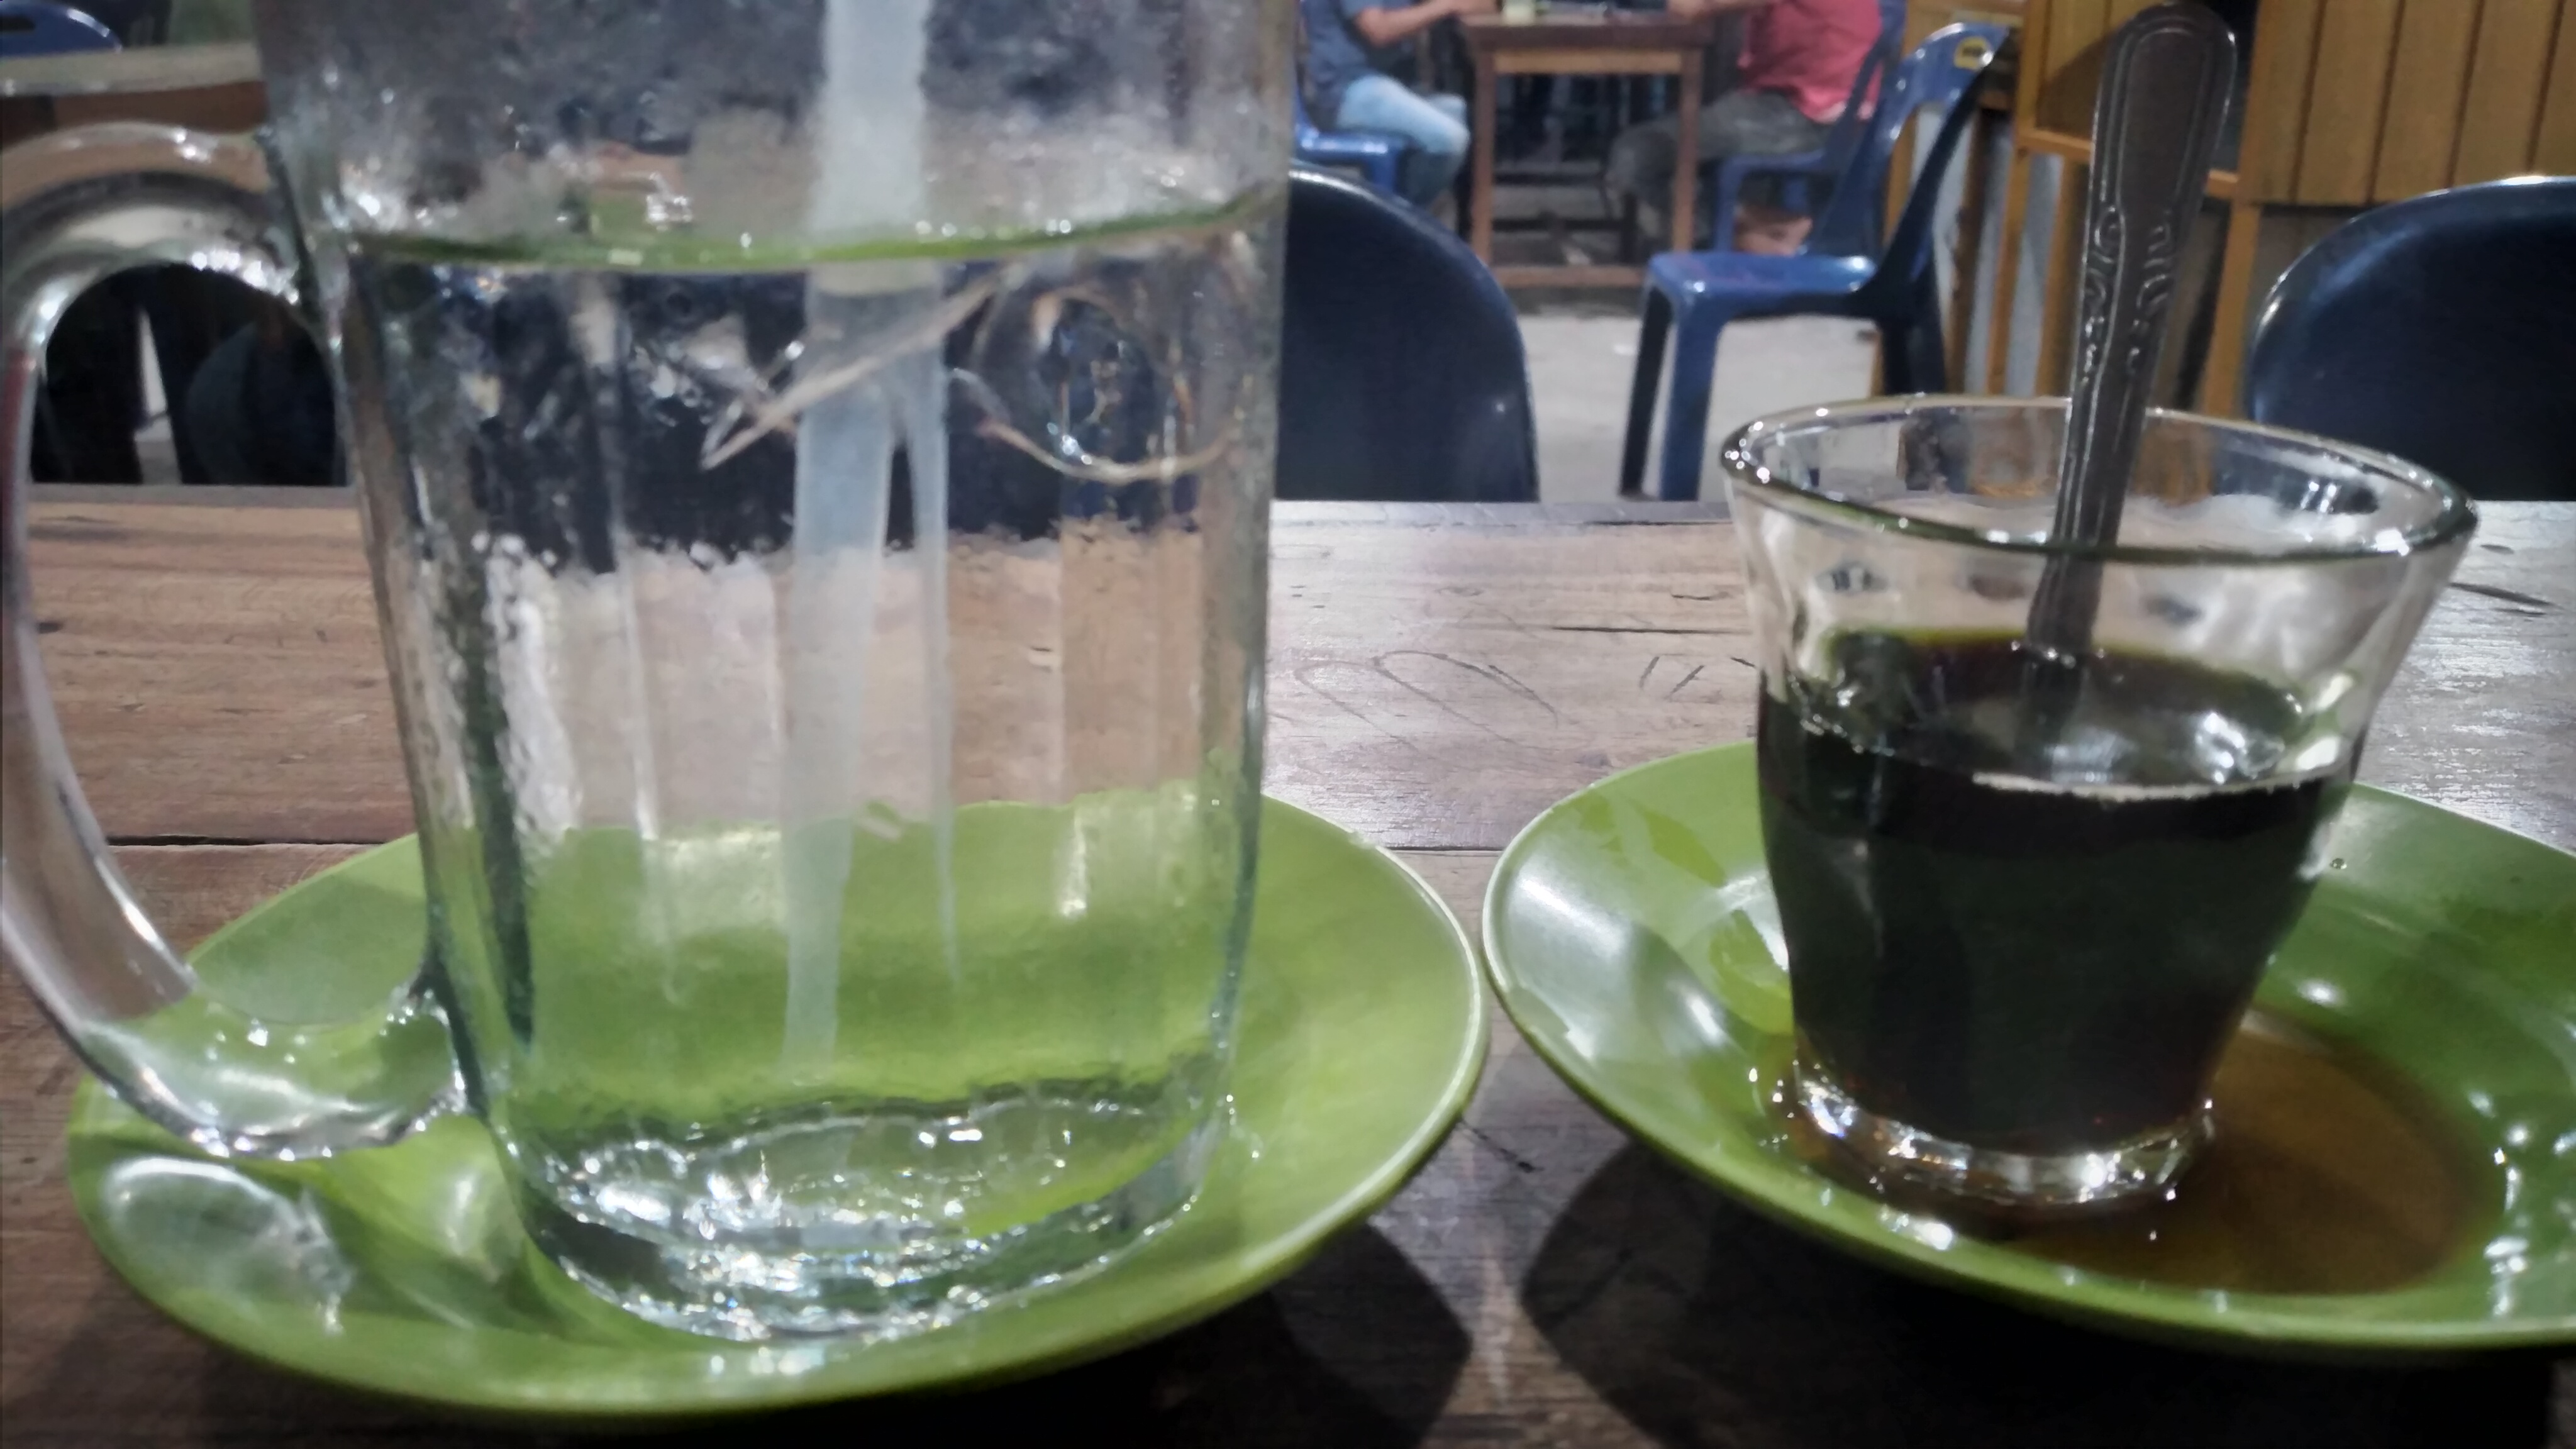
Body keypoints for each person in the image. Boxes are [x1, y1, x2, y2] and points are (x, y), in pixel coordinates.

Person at [1606, 0, 1882, 254]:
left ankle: (1749, 240)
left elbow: (1690, 5)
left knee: (1637, 154)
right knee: (1691, 143)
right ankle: (1767, 227)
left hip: (1809, 116)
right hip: (1837, 110)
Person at [1301, 0, 1496, 208]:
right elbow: (1379, 30)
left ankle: (1398, 209)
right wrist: (1448, 5)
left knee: (1456, 110)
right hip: (1347, 88)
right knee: (1448, 139)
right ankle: (1399, 215)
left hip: (1384, 83)